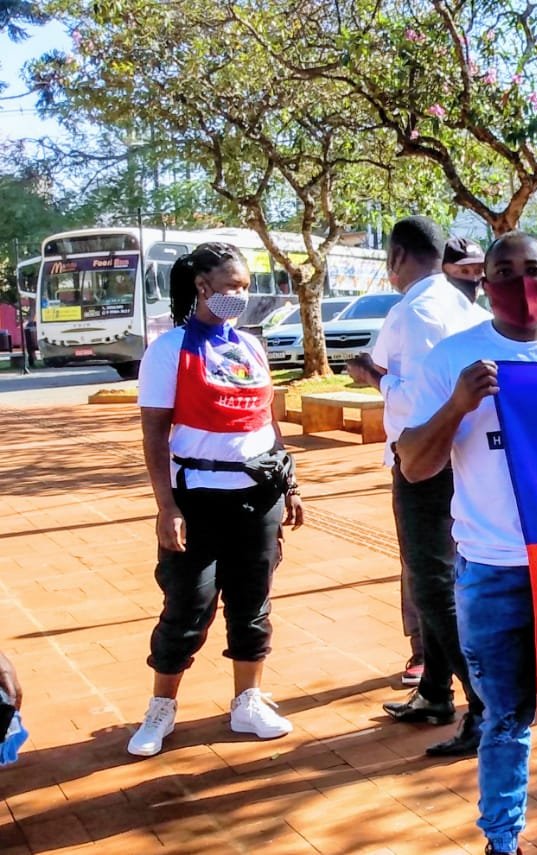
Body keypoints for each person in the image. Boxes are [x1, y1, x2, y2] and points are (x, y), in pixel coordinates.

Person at [397, 233, 537, 855]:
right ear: (482, 282)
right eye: (503, 271)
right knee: (504, 719)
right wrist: (459, 404)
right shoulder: (451, 360)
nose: (520, 284)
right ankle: (502, 842)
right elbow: (413, 464)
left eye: (533, 270)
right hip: (494, 569)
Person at [130, 242, 304, 758]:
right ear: (202, 286)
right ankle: (161, 707)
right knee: (188, 603)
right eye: (232, 286)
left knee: (252, 602)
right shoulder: (170, 350)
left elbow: (267, 420)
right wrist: (167, 507)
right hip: (198, 498)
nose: (240, 295)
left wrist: (290, 482)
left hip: (258, 493)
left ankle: (246, 700)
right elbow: (155, 434)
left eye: (245, 286)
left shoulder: (251, 346)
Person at [348, 217, 491, 757]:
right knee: (442, 576)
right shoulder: (460, 305)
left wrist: (375, 379)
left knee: (431, 584)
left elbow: (421, 398)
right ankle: (434, 691)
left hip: (426, 460)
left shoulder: (416, 311)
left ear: (400, 256)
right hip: (465, 459)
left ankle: (484, 705)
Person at [443, 236, 487, 303]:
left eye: (478, 271)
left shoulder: (482, 313)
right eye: (464, 271)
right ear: (444, 272)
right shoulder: (427, 309)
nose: (473, 278)